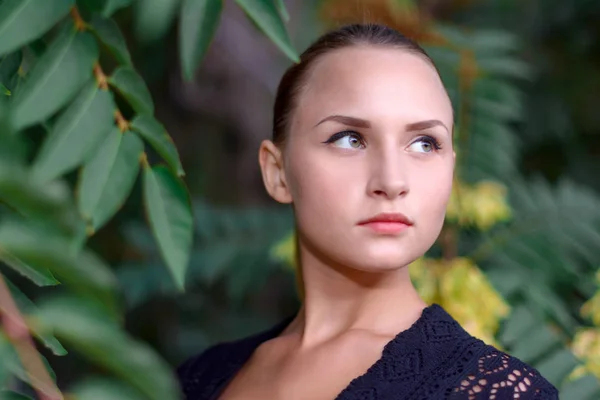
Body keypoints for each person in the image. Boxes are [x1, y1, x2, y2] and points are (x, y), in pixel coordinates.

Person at [177, 23, 559, 400]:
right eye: (350, 139)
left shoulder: (497, 392)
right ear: (278, 173)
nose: (392, 181)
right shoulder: (194, 380)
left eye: (425, 144)